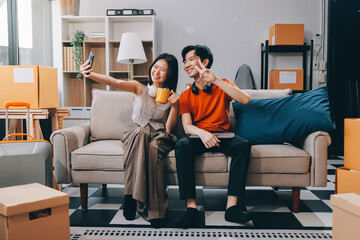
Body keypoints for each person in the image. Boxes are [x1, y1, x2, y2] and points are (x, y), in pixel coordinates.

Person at [80, 53, 179, 228]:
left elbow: (169, 129)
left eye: (163, 70)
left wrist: (175, 106)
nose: (157, 71)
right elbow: (114, 82)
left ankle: (154, 210)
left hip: (159, 136)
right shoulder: (139, 88)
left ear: (169, 75)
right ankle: (131, 197)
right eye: (155, 66)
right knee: (141, 133)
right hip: (137, 133)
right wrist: (90, 74)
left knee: (154, 148)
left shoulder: (173, 97)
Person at [175, 45, 252, 229]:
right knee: (181, 146)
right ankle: (191, 208)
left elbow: (246, 99)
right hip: (199, 137)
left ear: (205, 61)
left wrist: (215, 80)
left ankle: (232, 208)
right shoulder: (185, 95)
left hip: (224, 136)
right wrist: (202, 133)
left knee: (243, 145)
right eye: (184, 61)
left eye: (191, 59)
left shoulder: (220, 84)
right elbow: (187, 127)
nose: (186, 64)